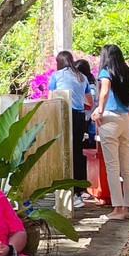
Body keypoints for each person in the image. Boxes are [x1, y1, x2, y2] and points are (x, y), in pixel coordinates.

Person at [92, 44, 129, 220]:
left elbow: (104, 92)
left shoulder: (106, 72)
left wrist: (99, 110)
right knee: (127, 166)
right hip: (125, 119)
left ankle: (117, 208)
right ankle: (128, 206)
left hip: (109, 119)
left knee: (112, 166)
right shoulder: (128, 74)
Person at [47, 50, 91, 203]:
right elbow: (89, 101)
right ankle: (78, 192)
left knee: (63, 153)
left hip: (63, 114)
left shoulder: (57, 76)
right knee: (77, 152)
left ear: (59, 62)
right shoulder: (82, 77)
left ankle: (64, 192)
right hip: (79, 117)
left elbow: (51, 99)